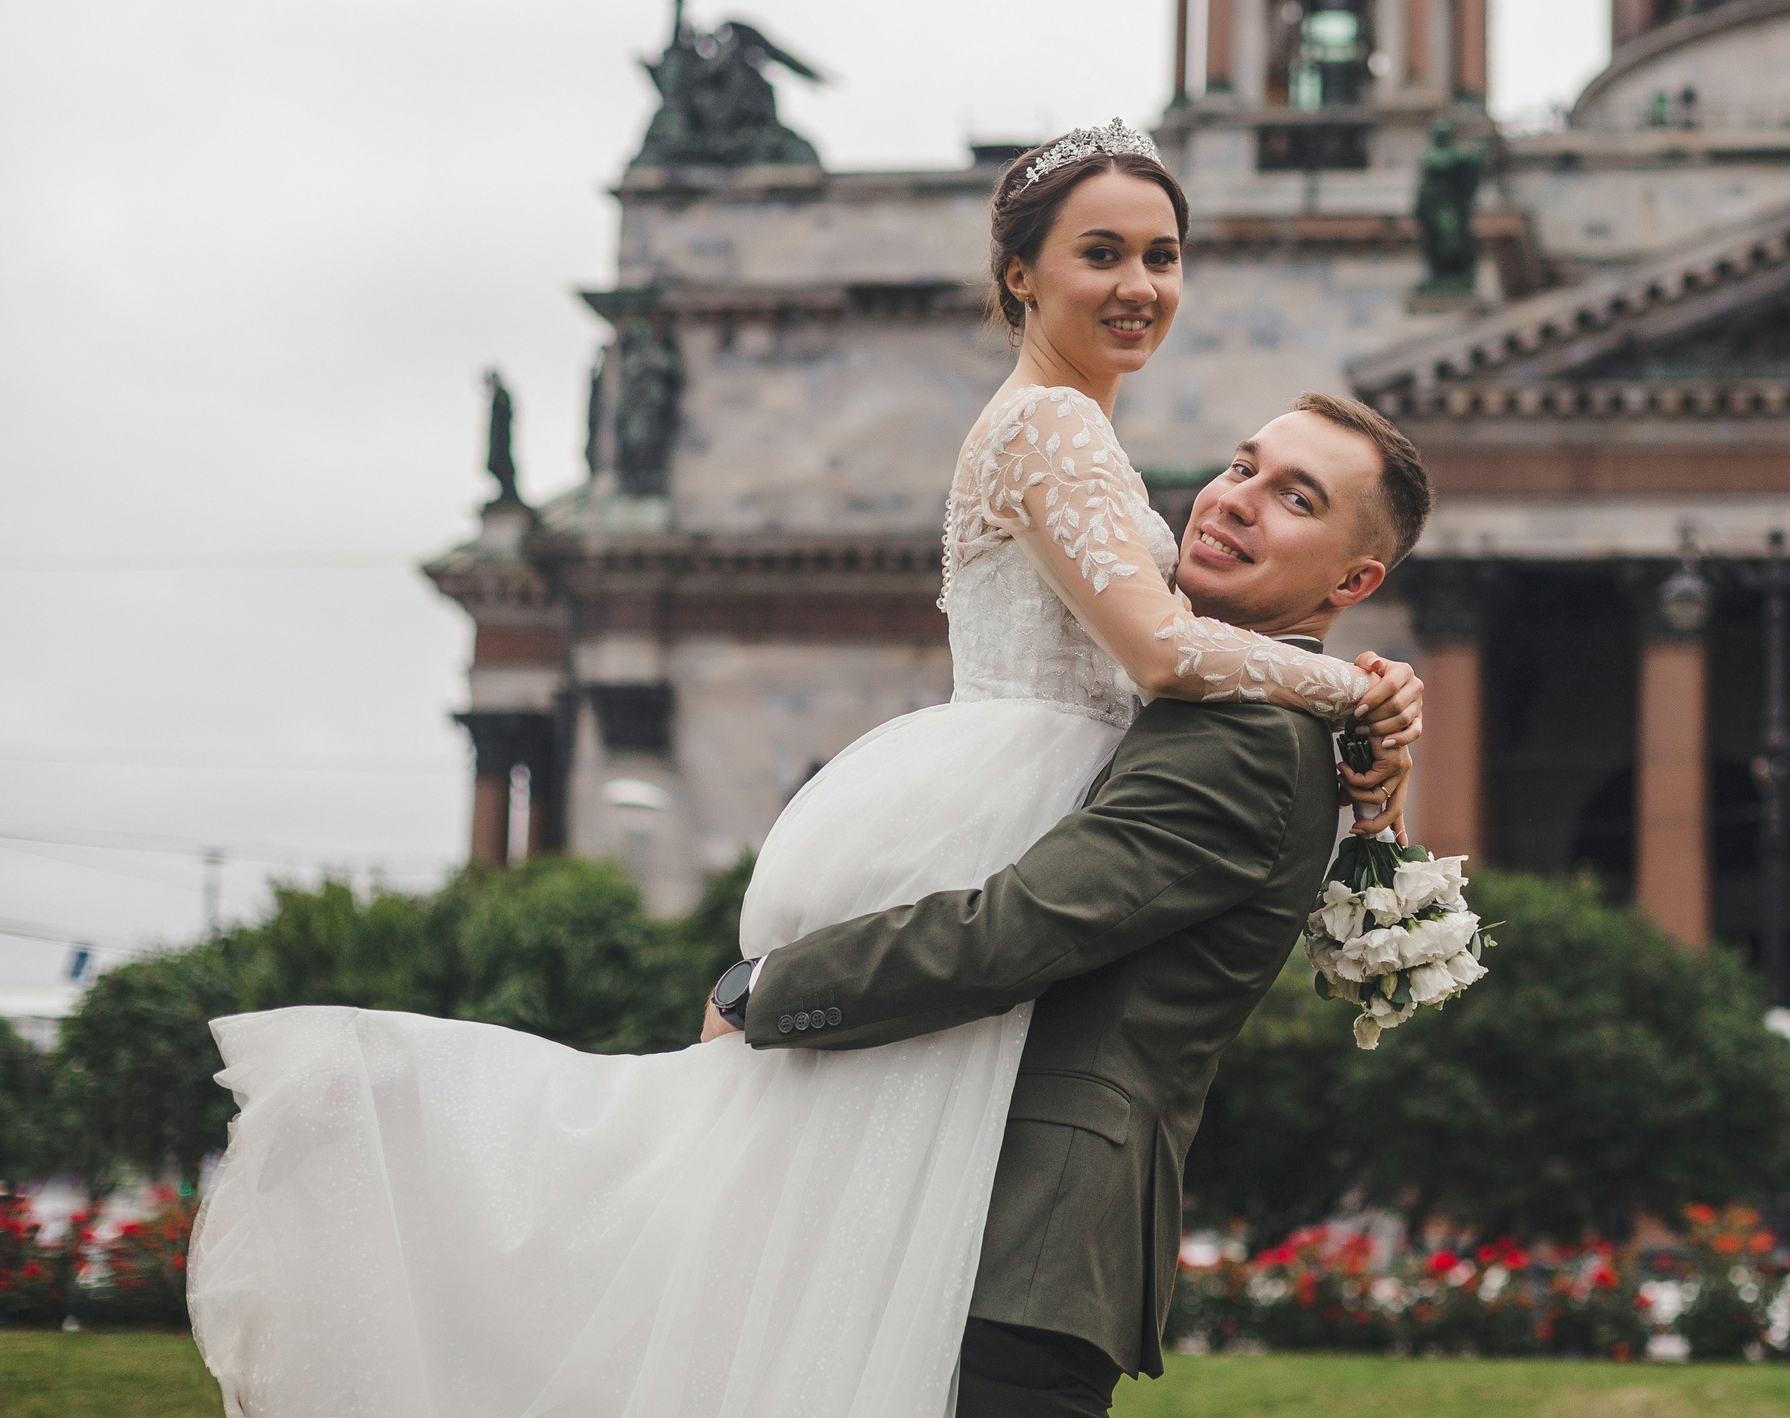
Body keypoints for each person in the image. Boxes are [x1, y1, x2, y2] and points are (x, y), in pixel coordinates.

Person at [187, 121, 1425, 1417]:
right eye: (1101, 251)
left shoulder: (1227, 694)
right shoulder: (1065, 439)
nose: (1140, 284)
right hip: (982, 949)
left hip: (1010, 1120)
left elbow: (1049, 890)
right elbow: (1159, 659)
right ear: (1018, 273)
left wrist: (778, 988)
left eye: (1163, 255)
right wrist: (1360, 686)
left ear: (1354, 576)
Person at [702, 387, 1438, 1416]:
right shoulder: (1223, 706)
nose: (1237, 501)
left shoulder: (1249, 743)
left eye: (1295, 499)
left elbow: (1018, 931)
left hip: (1028, 1241)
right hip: (987, 1215)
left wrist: (766, 992)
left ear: (1354, 578)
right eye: (1241, 467)